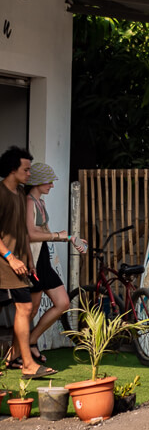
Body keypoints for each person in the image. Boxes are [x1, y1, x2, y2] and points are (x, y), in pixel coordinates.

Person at [0, 146, 57, 378]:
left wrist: (29, 259)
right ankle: (26, 363)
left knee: (25, 309)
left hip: (21, 264)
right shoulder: (1, 194)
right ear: (13, 170)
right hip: (6, 265)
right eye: (26, 169)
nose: (30, 173)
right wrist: (10, 257)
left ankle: (19, 360)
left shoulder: (20, 194)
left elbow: (22, 232)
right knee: (24, 309)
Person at [25, 162, 87, 364]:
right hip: (32, 259)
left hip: (43, 258)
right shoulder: (29, 202)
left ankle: (31, 341)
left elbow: (45, 232)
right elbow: (31, 234)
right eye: (49, 181)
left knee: (62, 302)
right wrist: (60, 237)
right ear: (38, 181)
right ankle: (19, 354)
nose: (52, 185)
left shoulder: (40, 201)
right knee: (31, 310)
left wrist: (71, 238)